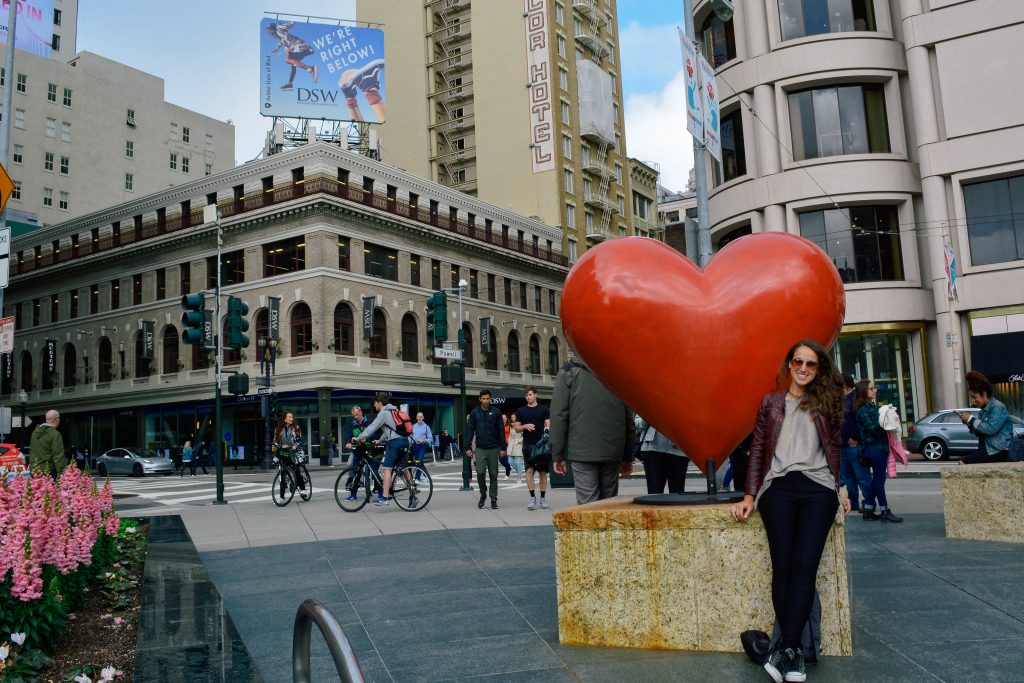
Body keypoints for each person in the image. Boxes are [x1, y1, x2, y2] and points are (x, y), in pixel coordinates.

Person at [730, 340, 851, 683]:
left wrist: (840, 488)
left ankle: (788, 648)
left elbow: (834, 448)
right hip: (778, 489)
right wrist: (750, 494)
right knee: (782, 568)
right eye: (798, 361)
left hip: (818, 489)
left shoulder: (827, 401)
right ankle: (792, 653)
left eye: (811, 364)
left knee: (803, 570)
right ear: (788, 364)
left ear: (818, 369)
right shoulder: (770, 403)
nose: (803, 368)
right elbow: (756, 451)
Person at [550, 361, 634, 505]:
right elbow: (628, 416)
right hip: (612, 448)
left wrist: (557, 454)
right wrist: (627, 455)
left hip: (582, 449)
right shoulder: (619, 368)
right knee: (609, 504)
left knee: (587, 506)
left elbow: (559, 415)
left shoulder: (570, 371)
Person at [855, 380, 902, 523]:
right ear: (863, 391)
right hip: (874, 448)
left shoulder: (871, 407)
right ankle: (884, 510)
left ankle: (868, 510)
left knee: (877, 480)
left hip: (878, 447)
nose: (874, 390)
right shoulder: (863, 410)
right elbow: (873, 430)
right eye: (871, 388)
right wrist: (886, 418)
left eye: (874, 388)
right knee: (879, 481)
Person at [354, 395, 409, 507]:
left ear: (379, 403)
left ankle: (384, 497)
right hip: (404, 441)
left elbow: (371, 428)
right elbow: (390, 430)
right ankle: (412, 488)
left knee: (387, 468)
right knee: (402, 468)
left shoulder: (383, 413)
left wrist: (358, 438)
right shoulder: (393, 411)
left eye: (375, 403)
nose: (374, 406)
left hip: (394, 443)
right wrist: (378, 441)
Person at [959, 370, 1014, 464]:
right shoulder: (983, 410)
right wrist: (969, 423)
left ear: (984, 394)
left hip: (999, 450)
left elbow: (990, 429)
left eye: (974, 397)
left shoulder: (998, 407)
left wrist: (971, 419)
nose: (973, 400)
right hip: (987, 450)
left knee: (964, 462)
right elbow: (980, 432)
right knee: (964, 461)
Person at [466, 389, 507, 510]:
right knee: (480, 472)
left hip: (494, 448)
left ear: (490, 399)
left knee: (494, 474)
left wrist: (503, 447)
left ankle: (493, 498)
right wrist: (467, 446)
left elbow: (501, 430)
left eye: (487, 398)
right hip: (480, 448)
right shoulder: (474, 413)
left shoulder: (496, 412)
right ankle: (483, 494)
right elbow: (470, 430)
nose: (485, 401)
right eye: (483, 399)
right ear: (479, 399)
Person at [514, 386, 551, 510]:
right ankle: (532, 497)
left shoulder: (544, 409)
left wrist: (547, 428)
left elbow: (548, 423)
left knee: (542, 472)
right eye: (526, 395)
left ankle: (543, 497)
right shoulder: (520, 410)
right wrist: (525, 426)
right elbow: (517, 428)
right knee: (529, 471)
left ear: (535, 395)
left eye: (530, 394)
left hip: (541, 445)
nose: (528, 397)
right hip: (528, 445)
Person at [839, 375, 871, 512]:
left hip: (853, 444)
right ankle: (853, 503)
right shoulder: (842, 399)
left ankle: (868, 502)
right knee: (847, 477)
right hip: (843, 445)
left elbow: (861, 420)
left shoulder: (855, 399)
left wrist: (855, 437)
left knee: (861, 476)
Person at [636, 416, 689, 494]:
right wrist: (647, 415)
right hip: (652, 449)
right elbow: (637, 424)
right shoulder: (649, 403)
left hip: (678, 450)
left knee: (677, 495)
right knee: (654, 495)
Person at [266, 22, 318, 91]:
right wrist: (274, 50)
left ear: (272, 29)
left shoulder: (278, 28)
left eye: (270, 31)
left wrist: (295, 19)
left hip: (300, 46)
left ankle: (311, 69)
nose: (270, 33)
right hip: (296, 47)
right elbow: (280, 43)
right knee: (293, 64)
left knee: (288, 59)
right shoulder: (280, 36)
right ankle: (290, 84)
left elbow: (289, 24)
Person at [273, 412, 306, 496]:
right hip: (284, 452)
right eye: (289, 417)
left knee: (296, 470)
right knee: (282, 472)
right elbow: (275, 441)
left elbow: (299, 440)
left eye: (292, 417)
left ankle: (302, 489)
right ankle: (282, 497)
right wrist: (281, 445)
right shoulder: (278, 429)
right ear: (285, 419)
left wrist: (295, 445)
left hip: (295, 452)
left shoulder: (296, 428)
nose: (291, 419)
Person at [29, 409, 65, 479]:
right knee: (49, 490)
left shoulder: (35, 432)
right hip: (48, 471)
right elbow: (58, 455)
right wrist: (61, 472)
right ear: (56, 419)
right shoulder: (55, 434)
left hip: (34, 470)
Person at [411, 412, 433, 482]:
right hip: (415, 446)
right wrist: (409, 443)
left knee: (419, 461)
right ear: (416, 418)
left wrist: (424, 440)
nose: (419, 418)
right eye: (418, 417)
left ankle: (417, 478)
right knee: (419, 462)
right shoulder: (413, 426)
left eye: (421, 417)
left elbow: (431, 438)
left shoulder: (426, 427)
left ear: (423, 417)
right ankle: (427, 477)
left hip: (422, 446)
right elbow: (410, 437)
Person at [499, 415, 513, 479]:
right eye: (502, 417)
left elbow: (512, 434)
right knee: (501, 460)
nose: (504, 418)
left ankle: (507, 474)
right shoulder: (498, 425)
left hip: (507, 444)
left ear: (507, 418)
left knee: (506, 460)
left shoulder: (509, 426)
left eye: (505, 417)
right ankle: (509, 468)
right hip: (500, 444)